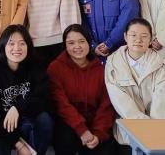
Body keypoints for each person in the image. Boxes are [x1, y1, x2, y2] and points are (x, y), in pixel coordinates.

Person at [0, 25, 53, 155]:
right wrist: (19, 144)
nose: (17, 48)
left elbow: (42, 98)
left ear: (28, 46)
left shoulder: (35, 68)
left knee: (44, 119)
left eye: (22, 43)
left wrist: (17, 108)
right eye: (11, 43)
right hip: (1, 127)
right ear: (3, 46)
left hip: (27, 120)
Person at [47, 25, 116, 155]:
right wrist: (82, 130)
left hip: (95, 123)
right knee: (65, 140)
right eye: (71, 43)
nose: (77, 46)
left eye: (81, 41)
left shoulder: (101, 69)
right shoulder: (55, 68)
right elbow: (61, 104)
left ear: (89, 43)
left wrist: (98, 133)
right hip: (68, 123)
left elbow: (106, 105)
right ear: (65, 46)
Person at [104, 18, 165, 145]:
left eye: (144, 36)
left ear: (151, 39)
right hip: (128, 131)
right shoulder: (113, 63)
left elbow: (163, 98)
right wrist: (145, 125)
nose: (138, 40)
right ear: (125, 37)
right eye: (133, 35)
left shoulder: (160, 63)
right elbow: (120, 100)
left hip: (158, 131)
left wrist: (158, 129)